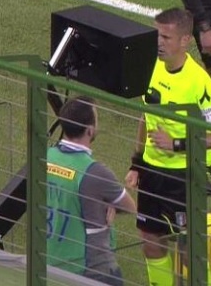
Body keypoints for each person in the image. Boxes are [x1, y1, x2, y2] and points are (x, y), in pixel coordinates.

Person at [125, 7, 211, 286]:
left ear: (185, 40)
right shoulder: (149, 66)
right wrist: (136, 163)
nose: (158, 43)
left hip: (183, 178)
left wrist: (176, 144)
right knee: (151, 241)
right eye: (156, 35)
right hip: (151, 173)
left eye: (166, 37)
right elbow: (145, 116)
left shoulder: (199, 82)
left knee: (189, 250)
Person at [46, 96, 136, 286]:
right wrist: (108, 205)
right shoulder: (95, 172)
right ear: (89, 130)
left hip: (49, 261)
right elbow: (130, 207)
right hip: (89, 268)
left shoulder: (45, 157)